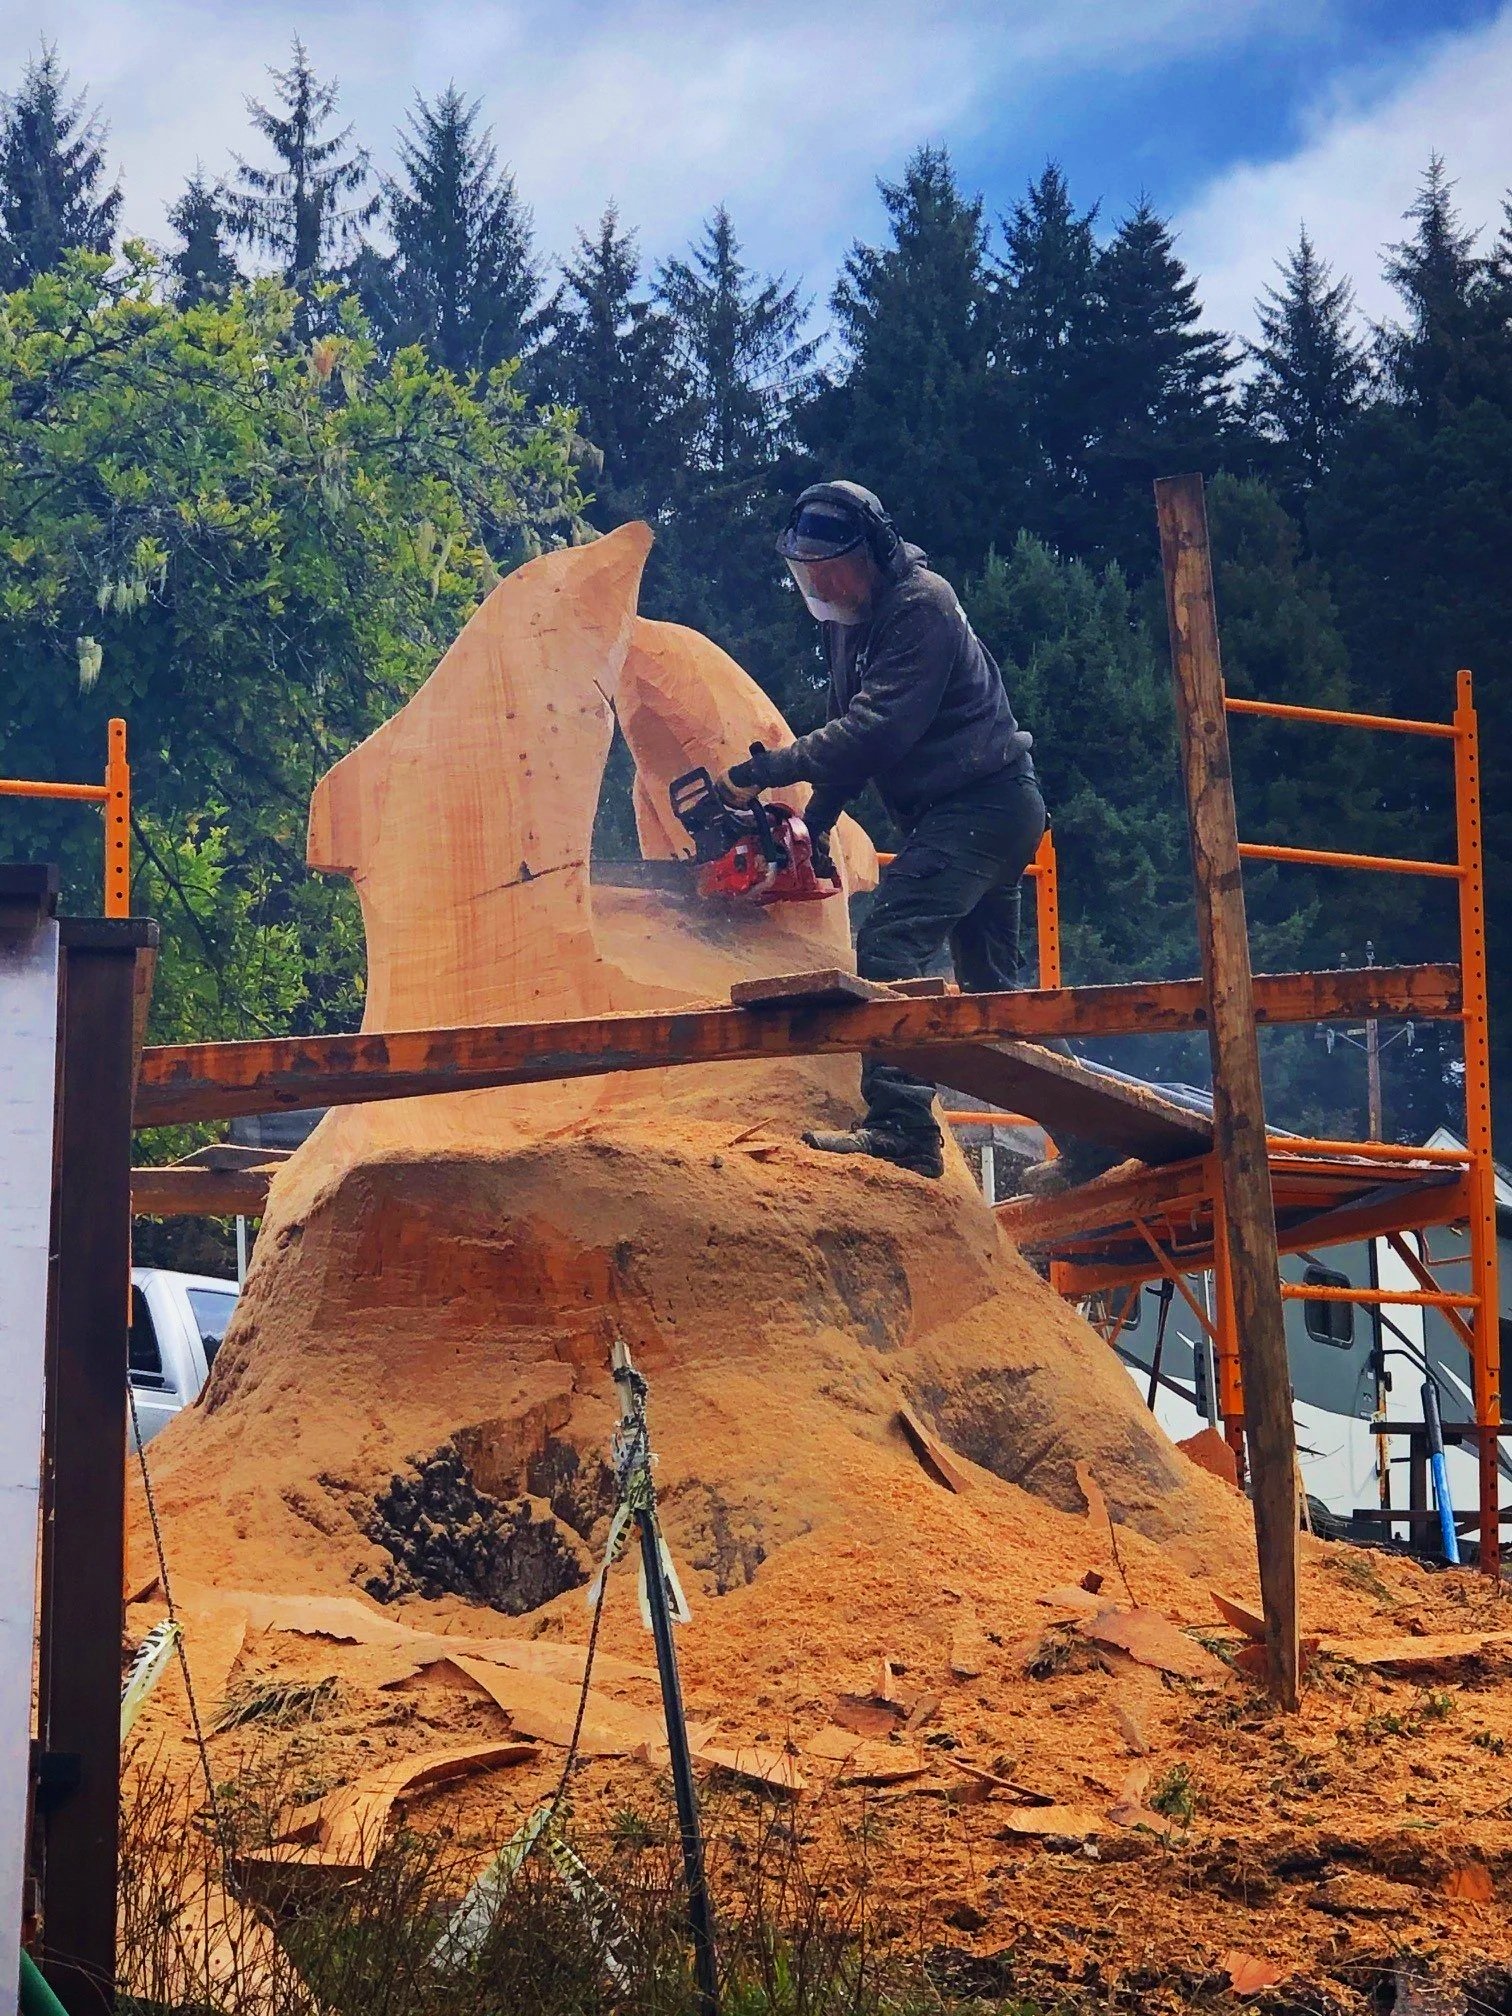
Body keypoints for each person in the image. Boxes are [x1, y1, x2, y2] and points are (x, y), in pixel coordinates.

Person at [717, 480, 1046, 1179]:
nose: (821, 584)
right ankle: (1094, 1144)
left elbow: (876, 733)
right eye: (809, 573)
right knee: (998, 1003)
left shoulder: (921, 607)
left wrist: (765, 769)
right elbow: (851, 740)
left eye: (831, 568)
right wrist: (809, 827)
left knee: (891, 942)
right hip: (970, 812)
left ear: (874, 551)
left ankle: (902, 1129)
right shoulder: (848, 624)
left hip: (983, 804)